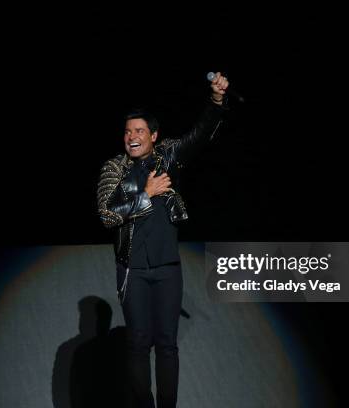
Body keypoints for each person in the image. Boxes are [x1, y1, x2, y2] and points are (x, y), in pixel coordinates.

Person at [96, 72, 230, 407]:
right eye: (128, 132)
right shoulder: (113, 168)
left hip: (168, 267)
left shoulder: (168, 155)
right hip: (133, 269)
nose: (132, 137)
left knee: (168, 344)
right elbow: (107, 215)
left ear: (154, 136)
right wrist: (145, 193)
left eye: (139, 131)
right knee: (139, 344)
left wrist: (215, 101)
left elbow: (200, 136)